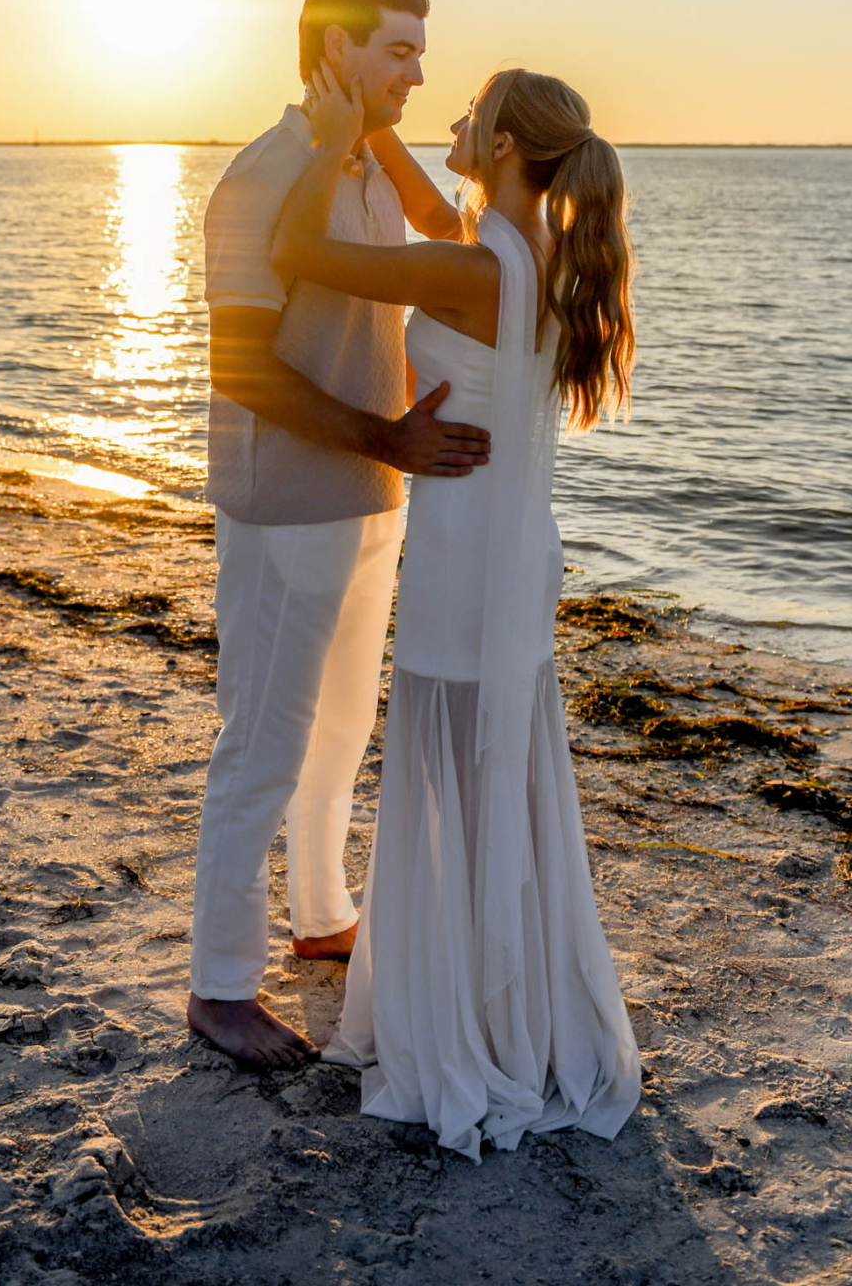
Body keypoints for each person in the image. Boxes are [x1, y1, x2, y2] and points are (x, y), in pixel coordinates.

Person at [272, 63, 642, 1158]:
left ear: (509, 147)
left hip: (464, 554)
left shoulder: (474, 267)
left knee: (447, 763)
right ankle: (499, 993)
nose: (449, 123)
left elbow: (297, 253)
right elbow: (440, 217)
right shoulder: (520, 252)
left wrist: (330, 137)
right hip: (512, 556)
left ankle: (466, 1016)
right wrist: (379, 135)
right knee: (500, 769)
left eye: (468, 118)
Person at [187, 0, 491, 1070]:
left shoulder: (349, 166)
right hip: (291, 502)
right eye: (400, 51)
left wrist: (393, 461)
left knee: (339, 734)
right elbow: (240, 371)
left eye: (420, 50)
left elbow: (446, 237)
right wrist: (391, 442)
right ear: (337, 51)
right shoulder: (263, 177)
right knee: (262, 740)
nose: (419, 70)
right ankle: (219, 986)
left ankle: (323, 915)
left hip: (372, 496)